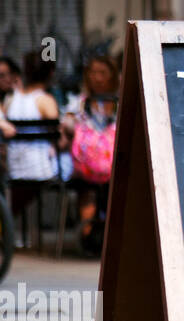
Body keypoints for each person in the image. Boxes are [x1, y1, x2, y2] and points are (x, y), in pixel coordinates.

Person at [61, 55, 120, 255]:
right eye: (93, 73)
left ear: (112, 75)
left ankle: (111, 235)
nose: (97, 77)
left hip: (117, 168)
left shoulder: (121, 102)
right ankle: (88, 236)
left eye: (102, 73)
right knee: (86, 188)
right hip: (86, 168)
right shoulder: (78, 103)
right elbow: (67, 125)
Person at [4, 52, 61, 219]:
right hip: (40, 169)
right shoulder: (46, 100)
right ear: (51, 73)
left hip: (13, 168)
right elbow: (58, 134)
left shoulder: (11, 99)